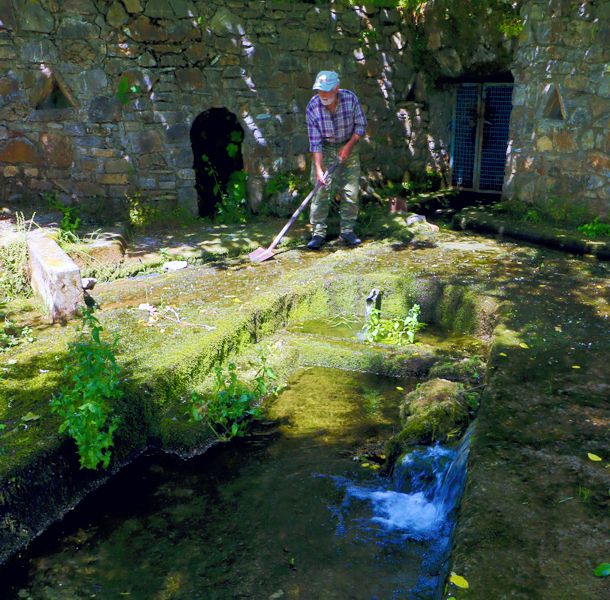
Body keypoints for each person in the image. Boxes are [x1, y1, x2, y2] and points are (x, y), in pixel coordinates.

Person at [305, 70, 367, 250]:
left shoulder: (350, 99)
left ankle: (347, 230)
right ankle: (318, 233)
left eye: (326, 90)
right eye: (320, 90)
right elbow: (314, 142)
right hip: (325, 147)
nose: (322, 94)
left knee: (350, 190)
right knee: (321, 189)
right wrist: (318, 168)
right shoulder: (313, 107)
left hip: (350, 144)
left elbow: (361, 126)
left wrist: (348, 147)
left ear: (336, 88)